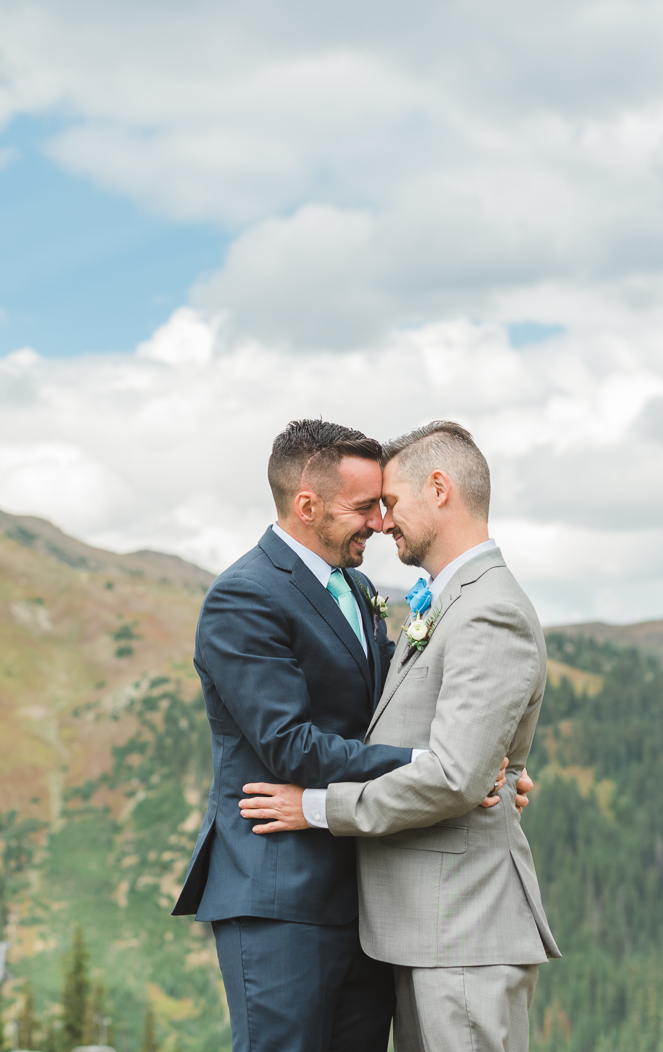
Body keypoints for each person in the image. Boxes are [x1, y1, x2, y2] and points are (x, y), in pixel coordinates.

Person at [172, 420, 529, 1052]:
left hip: (371, 898)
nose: (380, 522)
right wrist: (436, 766)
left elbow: (399, 706)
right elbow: (289, 746)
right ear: (307, 506)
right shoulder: (244, 598)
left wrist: (482, 766)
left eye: (385, 504)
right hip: (280, 892)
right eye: (364, 506)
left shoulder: (359, 590)